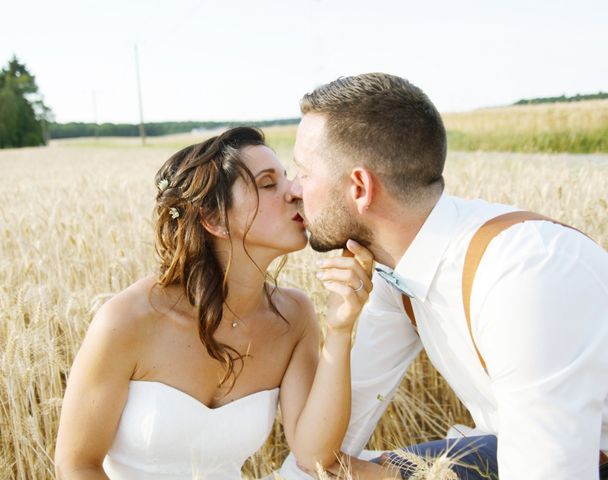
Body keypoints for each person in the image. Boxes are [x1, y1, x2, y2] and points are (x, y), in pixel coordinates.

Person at [279, 73, 608, 479]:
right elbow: (323, 452)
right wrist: (340, 329)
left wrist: (392, 476)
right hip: (515, 448)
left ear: (360, 188)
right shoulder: (395, 273)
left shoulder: (524, 276)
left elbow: (553, 471)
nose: (292, 189)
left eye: (303, 172)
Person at [54, 127, 374, 479]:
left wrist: (340, 329)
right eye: (269, 184)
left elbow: (313, 457)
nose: (294, 192)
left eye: (287, 178)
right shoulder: (128, 319)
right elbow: (77, 465)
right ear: (214, 219)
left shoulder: (293, 316)